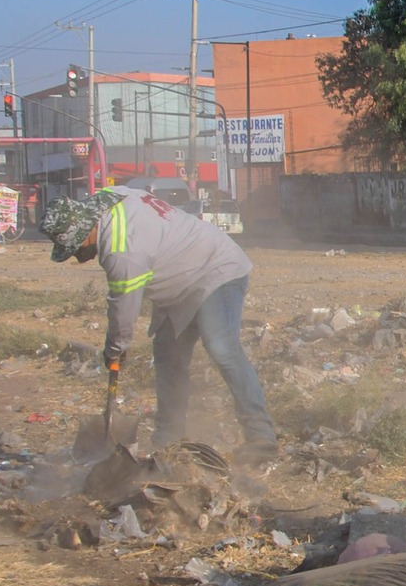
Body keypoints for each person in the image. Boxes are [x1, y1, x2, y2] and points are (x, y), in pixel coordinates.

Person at [40, 187, 276, 463]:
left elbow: (124, 310)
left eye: (75, 248)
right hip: (179, 282)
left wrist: (114, 350)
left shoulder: (122, 251)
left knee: (221, 347)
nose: (79, 256)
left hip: (215, 268)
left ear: (84, 231)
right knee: (168, 355)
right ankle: (169, 439)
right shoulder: (109, 197)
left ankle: (261, 438)